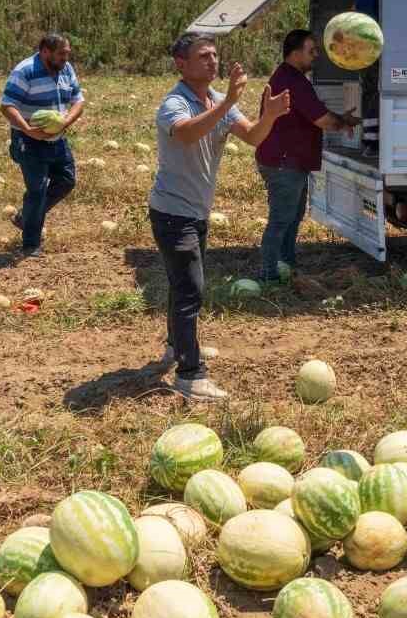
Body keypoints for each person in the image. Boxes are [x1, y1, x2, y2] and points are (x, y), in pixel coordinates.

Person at [149, 33, 291, 401]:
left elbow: (254, 137)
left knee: (183, 285)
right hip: (172, 212)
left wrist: (270, 116)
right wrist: (228, 99)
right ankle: (190, 374)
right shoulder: (174, 103)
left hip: (196, 211)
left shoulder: (217, 102)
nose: (213, 61)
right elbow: (186, 134)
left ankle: (175, 345)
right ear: (182, 64)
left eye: (215, 55)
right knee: (190, 289)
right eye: (203, 56)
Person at [254, 29, 358, 282]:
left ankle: (285, 264)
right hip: (284, 163)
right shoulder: (294, 82)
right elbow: (322, 119)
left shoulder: (290, 77)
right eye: (311, 51)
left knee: (292, 216)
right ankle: (269, 274)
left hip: (288, 161)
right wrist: (342, 122)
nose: (316, 56)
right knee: (281, 219)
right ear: (295, 52)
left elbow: (314, 113)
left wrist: (340, 119)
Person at [0, 32, 85, 257]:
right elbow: (7, 105)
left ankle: (25, 218)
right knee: (37, 190)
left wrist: (66, 120)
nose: (65, 59)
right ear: (45, 51)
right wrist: (27, 129)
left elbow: (78, 100)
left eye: (67, 54)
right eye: (61, 54)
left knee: (66, 181)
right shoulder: (25, 71)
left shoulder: (66, 69)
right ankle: (30, 243)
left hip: (57, 139)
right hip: (29, 141)